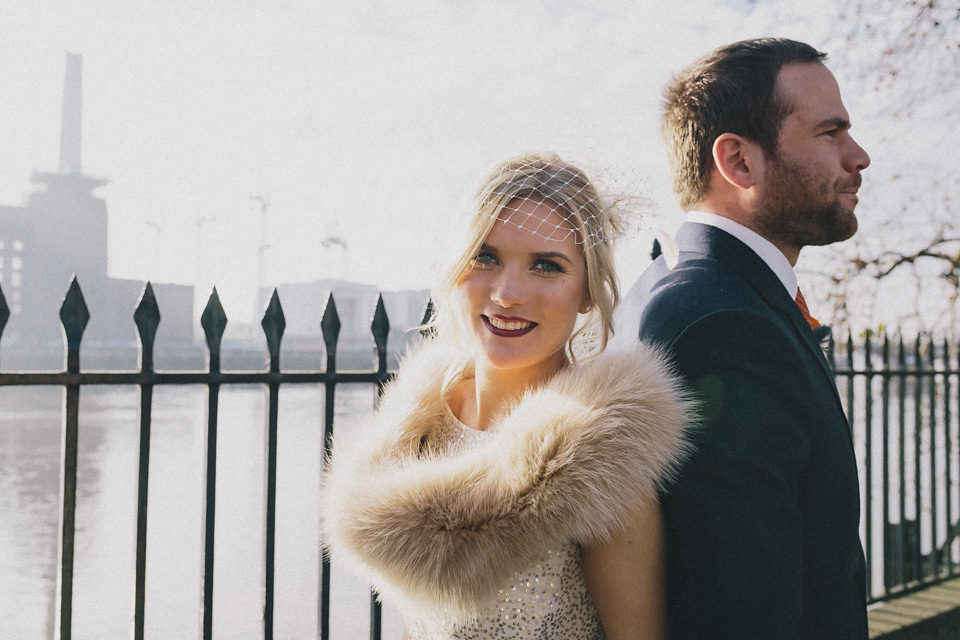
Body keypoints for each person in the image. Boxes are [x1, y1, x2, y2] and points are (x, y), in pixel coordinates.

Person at [321, 153, 690, 639]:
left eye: (546, 266)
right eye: (486, 257)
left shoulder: (602, 467)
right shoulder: (419, 430)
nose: (508, 292)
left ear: (586, 292)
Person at [615, 38, 871, 638]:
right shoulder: (725, 327)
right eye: (830, 133)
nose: (858, 156)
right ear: (738, 162)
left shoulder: (670, 287)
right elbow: (743, 614)